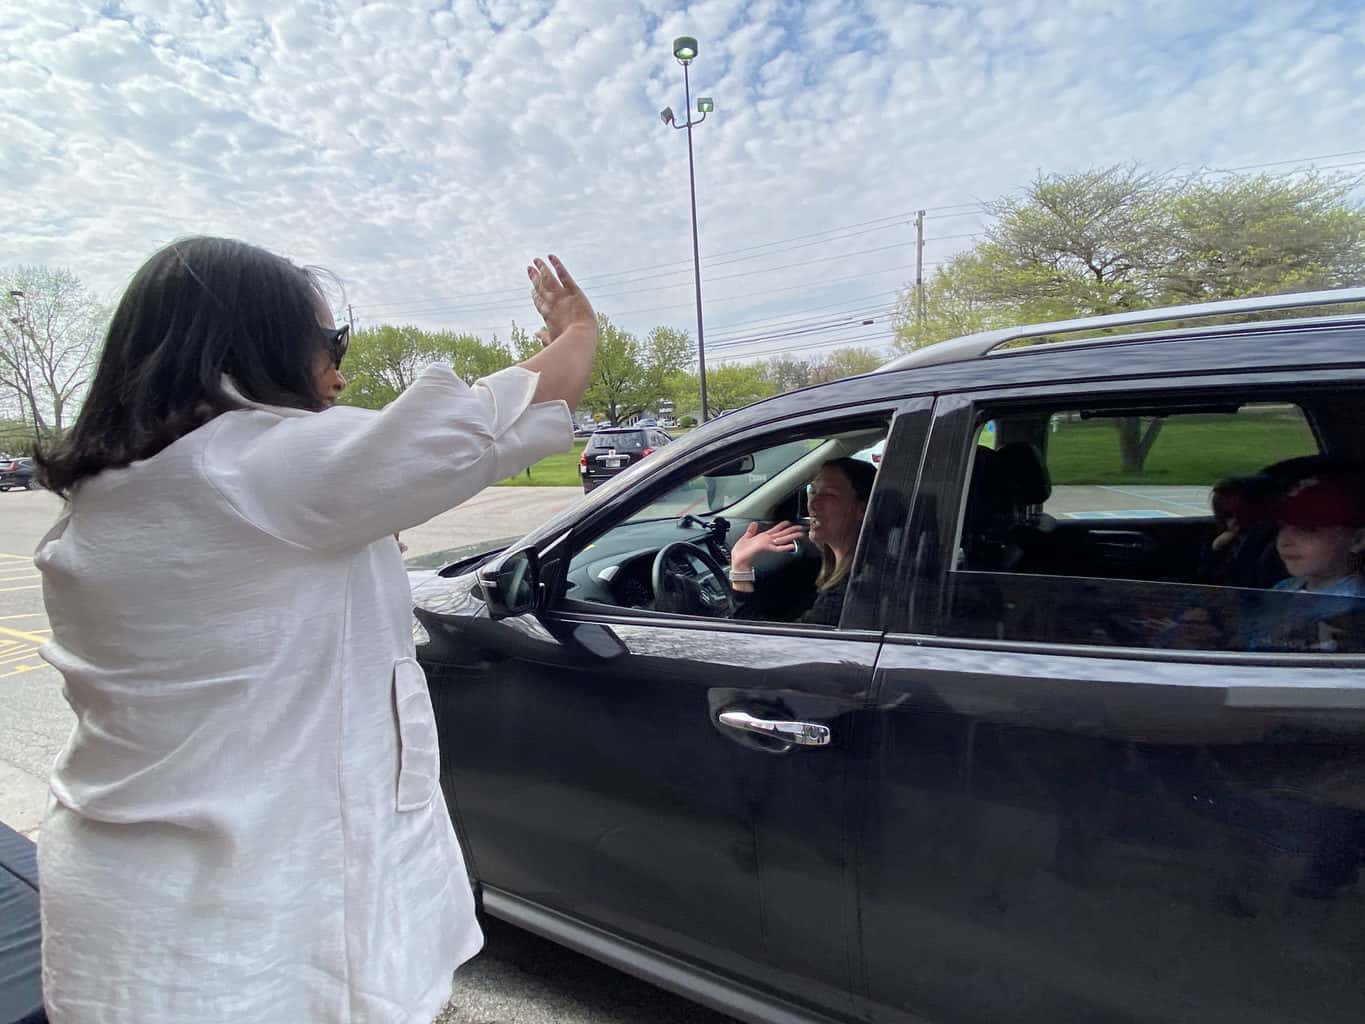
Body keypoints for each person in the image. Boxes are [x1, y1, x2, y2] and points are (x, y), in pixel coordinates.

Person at [31, 237, 597, 1024]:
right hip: (247, 931)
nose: (339, 370)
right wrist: (578, 331)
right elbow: (505, 411)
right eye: (331, 342)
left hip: (120, 907)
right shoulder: (260, 465)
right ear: (257, 342)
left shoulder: (109, 492)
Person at [727, 457, 876, 626]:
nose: (813, 504)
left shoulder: (852, 591)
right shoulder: (856, 568)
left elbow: (765, 641)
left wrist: (740, 570)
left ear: (862, 509)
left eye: (830, 495)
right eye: (813, 491)